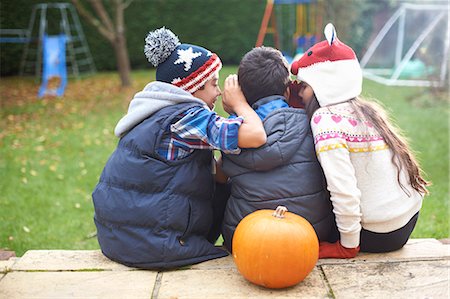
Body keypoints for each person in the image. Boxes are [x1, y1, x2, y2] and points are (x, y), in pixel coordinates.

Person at [92, 27, 266, 269]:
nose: (218, 91)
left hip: (120, 238)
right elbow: (256, 135)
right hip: (153, 245)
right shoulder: (186, 118)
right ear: (192, 87)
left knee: (222, 180)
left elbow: (207, 171)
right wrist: (240, 105)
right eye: (213, 84)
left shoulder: (153, 112)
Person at [290, 23, 429, 258]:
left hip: (377, 233)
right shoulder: (365, 109)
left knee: (310, 221)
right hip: (407, 219)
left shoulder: (326, 121)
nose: (299, 93)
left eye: (303, 86)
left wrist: (347, 246)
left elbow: (343, 189)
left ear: (320, 86)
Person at [220, 46, 338, 252]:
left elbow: (220, 177)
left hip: (246, 240)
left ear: (242, 94)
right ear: (287, 90)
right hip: (312, 233)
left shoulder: (233, 131)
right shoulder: (313, 122)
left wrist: (237, 109)